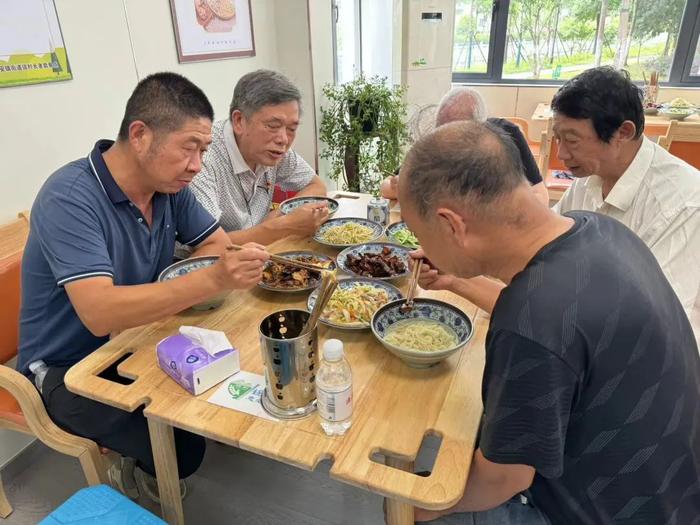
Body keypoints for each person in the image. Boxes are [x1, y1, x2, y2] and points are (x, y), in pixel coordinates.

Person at [399, 121, 700, 524]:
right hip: (675, 494)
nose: (419, 245)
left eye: (417, 231)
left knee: (410, 503)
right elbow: (547, 319)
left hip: (594, 512)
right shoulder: (599, 230)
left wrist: (409, 506)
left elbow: (502, 479)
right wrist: (454, 280)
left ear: (452, 225)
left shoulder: (531, 322)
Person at [17, 72, 269, 502]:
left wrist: (216, 269)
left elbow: (215, 244)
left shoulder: (168, 187)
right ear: (139, 135)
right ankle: (126, 481)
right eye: (189, 148)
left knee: (237, 377)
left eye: (204, 151)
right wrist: (210, 278)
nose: (197, 165)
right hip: (68, 369)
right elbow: (100, 313)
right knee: (184, 448)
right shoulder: (70, 196)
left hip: (137, 337)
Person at [419, 68, 700, 348]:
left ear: (623, 133)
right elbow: (542, 267)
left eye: (572, 141)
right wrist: (455, 274)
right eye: (558, 138)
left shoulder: (682, 204)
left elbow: (649, 331)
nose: (562, 154)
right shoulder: (590, 178)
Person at [187, 69, 328, 248]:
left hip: (260, 254)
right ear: (239, 121)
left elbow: (316, 185)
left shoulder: (274, 149)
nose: (283, 139)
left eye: (291, 129)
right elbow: (204, 245)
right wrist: (282, 226)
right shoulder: (204, 158)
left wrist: (282, 214)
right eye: (272, 126)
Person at [380, 87, 549, 205]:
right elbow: (386, 187)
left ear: (479, 128)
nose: (447, 140)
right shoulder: (435, 141)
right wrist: (399, 187)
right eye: (441, 129)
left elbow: (541, 196)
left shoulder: (507, 137)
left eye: (456, 133)